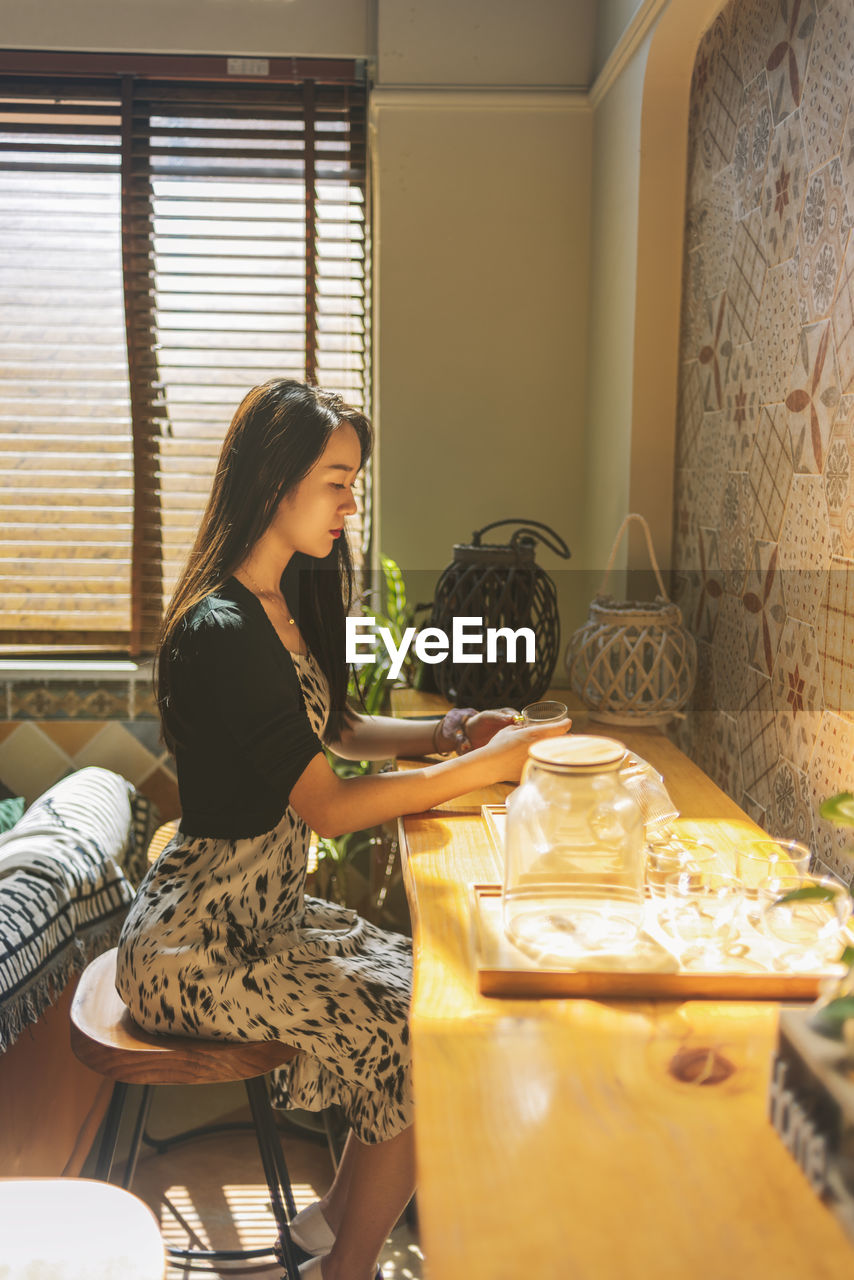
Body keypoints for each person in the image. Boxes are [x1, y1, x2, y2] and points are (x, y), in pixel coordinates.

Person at [116, 379, 570, 1280]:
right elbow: (326, 803)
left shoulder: (287, 600)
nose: (348, 501)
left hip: (268, 914)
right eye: (335, 480)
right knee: (416, 1030)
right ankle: (345, 1267)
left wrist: (447, 732)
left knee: (430, 993)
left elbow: (338, 730)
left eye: (352, 481)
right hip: (199, 943)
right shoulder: (220, 627)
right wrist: (481, 771)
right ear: (276, 480)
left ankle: (330, 1223)